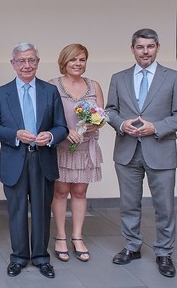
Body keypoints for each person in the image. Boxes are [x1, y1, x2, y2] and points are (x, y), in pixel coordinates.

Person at [105, 28, 177, 278]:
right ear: (132, 49)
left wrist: (158, 127)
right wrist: (122, 124)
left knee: (164, 206)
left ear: (157, 48)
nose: (145, 51)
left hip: (161, 150)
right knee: (129, 204)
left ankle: (164, 252)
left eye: (150, 47)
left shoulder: (174, 77)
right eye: (140, 47)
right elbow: (110, 110)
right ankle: (132, 247)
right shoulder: (119, 78)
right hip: (127, 151)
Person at [0, 43, 68, 279]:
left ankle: (41, 257)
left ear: (38, 62)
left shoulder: (50, 91)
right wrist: (15, 135)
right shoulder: (0, 94)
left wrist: (51, 136)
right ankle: (19, 257)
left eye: (31, 60)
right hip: (15, 160)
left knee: (42, 210)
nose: (27, 65)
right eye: (21, 61)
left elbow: (61, 126)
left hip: (43, 160)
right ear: (13, 64)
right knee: (17, 210)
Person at [48, 44, 104, 263]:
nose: (78, 64)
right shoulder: (53, 85)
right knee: (61, 191)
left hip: (85, 147)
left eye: (82, 60)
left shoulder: (94, 85)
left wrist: (95, 125)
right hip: (63, 146)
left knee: (80, 192)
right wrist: (65, 131)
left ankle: (77, 237)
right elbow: (47, 117)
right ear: (64, 62)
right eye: (73, 60)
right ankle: (60, 236)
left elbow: (102, 116)